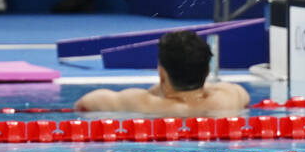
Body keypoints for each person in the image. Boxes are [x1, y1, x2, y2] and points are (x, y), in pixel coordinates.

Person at [74, 31, 250, 115]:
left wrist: (155, 90)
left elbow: (85, 103)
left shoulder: (140, 103)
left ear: (161, 73)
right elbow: (245, 96)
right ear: (208, 71)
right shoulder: (228, 98)